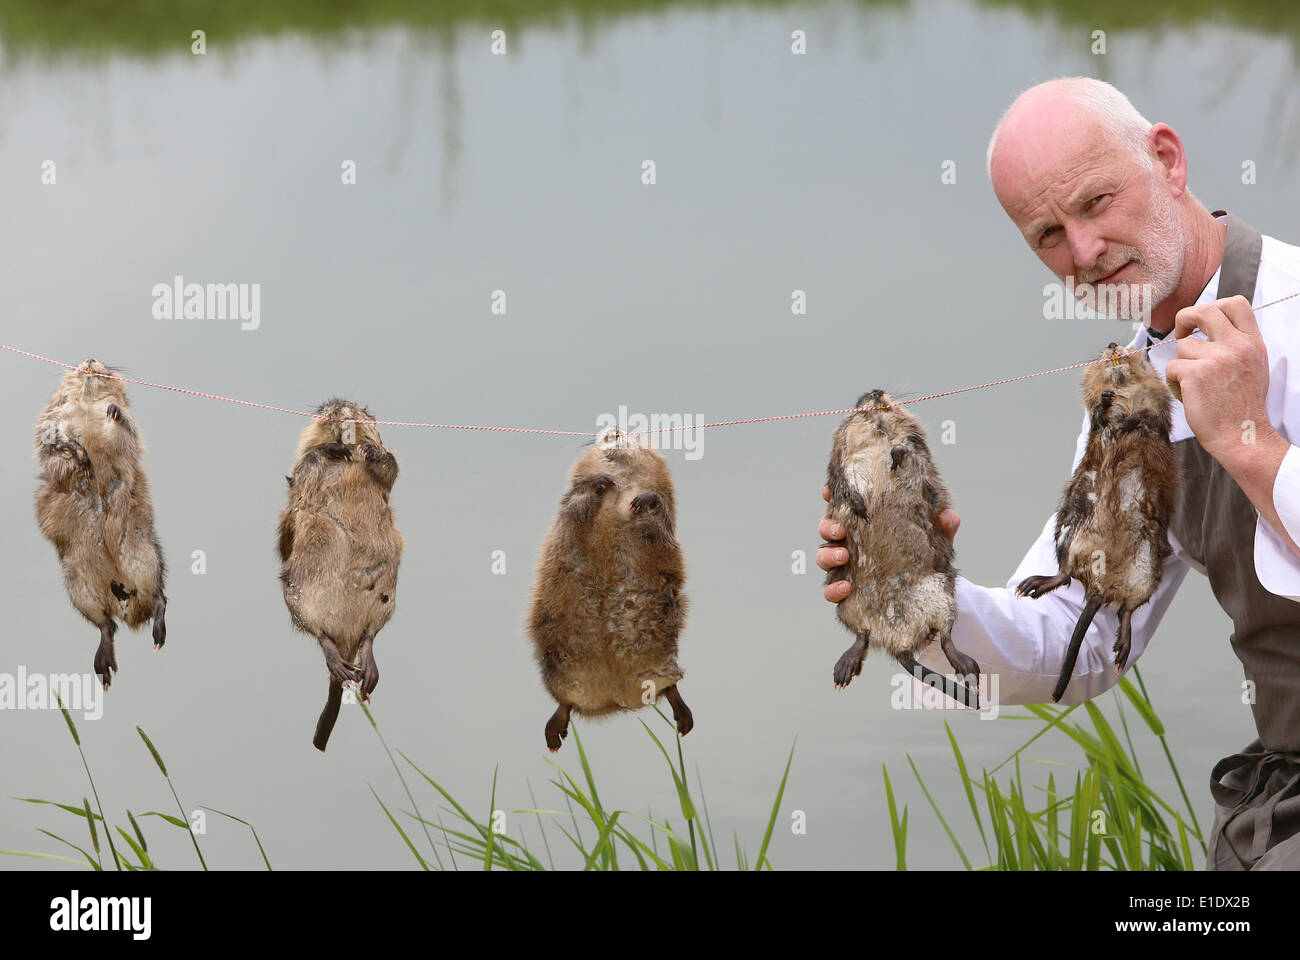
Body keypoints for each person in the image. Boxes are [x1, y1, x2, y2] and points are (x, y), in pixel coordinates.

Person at [817, 77, 1300, 870]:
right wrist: (914, 593)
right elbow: (1073, 646)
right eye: (1046, 233)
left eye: (1097, 201)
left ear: (1168, 160)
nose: (1083, 253)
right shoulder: (1127, 392)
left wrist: (1251, 443)